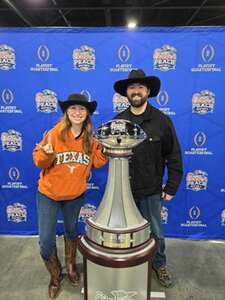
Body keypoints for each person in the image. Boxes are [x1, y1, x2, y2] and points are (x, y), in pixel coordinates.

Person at [33, 93, 107, 299]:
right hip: (49, 194)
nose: (77, 112)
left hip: (74, 195)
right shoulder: (54, 133)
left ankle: (71, 266)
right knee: (46, 241)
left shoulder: (90, 139)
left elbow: (99, 163)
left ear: (87, 114)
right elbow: (39, 161)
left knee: (72, 231)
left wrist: (104, 148)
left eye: (82, 109)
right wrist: (47, 153)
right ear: (66, 112)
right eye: (73, 108)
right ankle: (55, 276)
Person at [114, 69, 183, 287]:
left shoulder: (162, 121)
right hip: (123, 191)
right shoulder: (118, 122)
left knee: (156, 232)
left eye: (140, 87)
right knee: (123, 232)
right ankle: (127, 264)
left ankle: (159, 264)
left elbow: (173, 154)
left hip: (152, 190)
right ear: (126, 92)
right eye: (132, 87)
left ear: (148, 91)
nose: (136, 91)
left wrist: (171, 186)